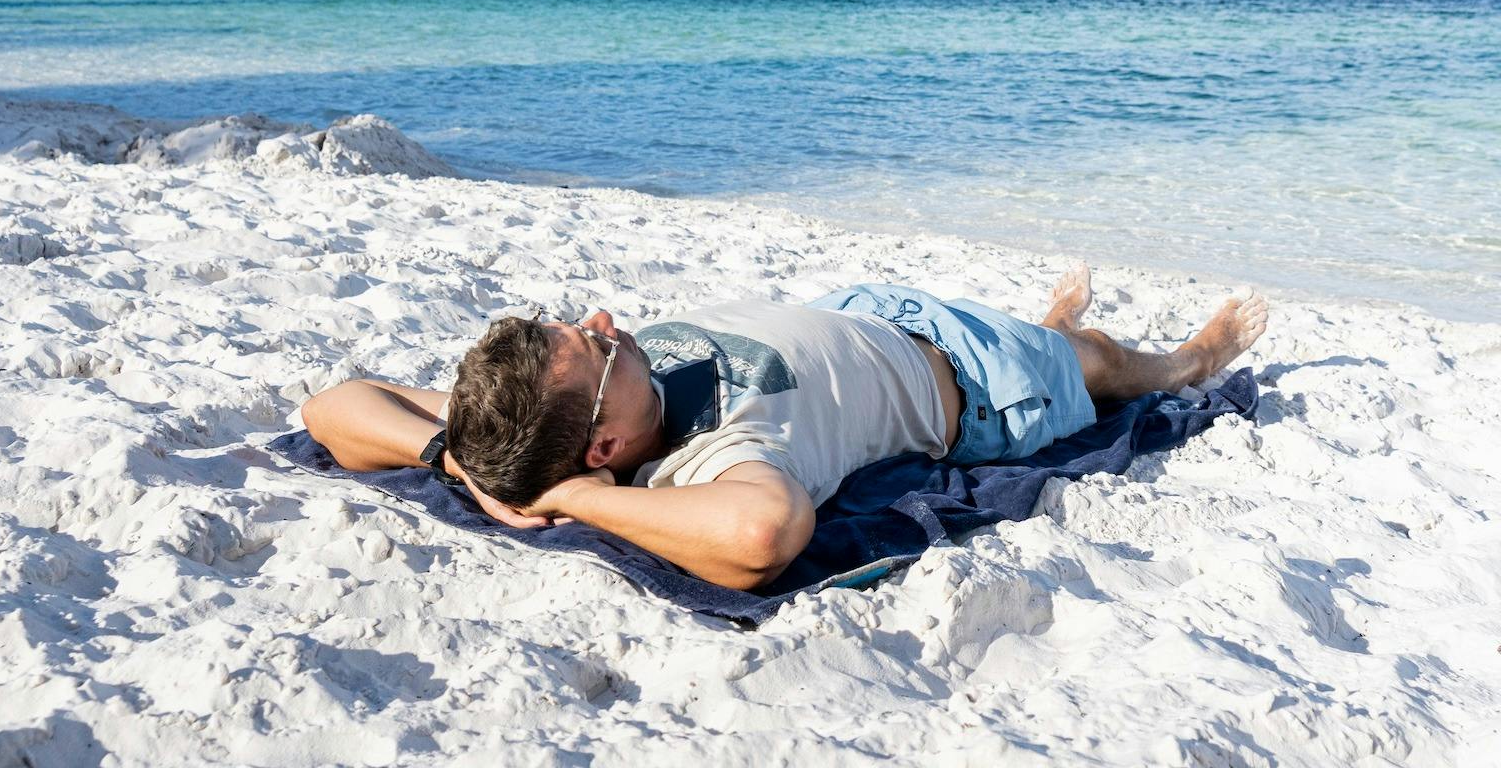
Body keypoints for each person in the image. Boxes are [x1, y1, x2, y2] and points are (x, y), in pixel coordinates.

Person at [300, 266, 1268, 591]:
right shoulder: (714, 462)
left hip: (854, 310)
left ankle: (1049, 323)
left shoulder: (512, 421)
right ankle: (1186, 358)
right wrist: (577, 500)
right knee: (1093, 360)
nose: (606, 321)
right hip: (970, 378)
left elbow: (333, 405)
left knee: (1051, 333)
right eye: (598, 347)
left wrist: (452, 458)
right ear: (603, 449)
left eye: (583, 324)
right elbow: (761, 534)